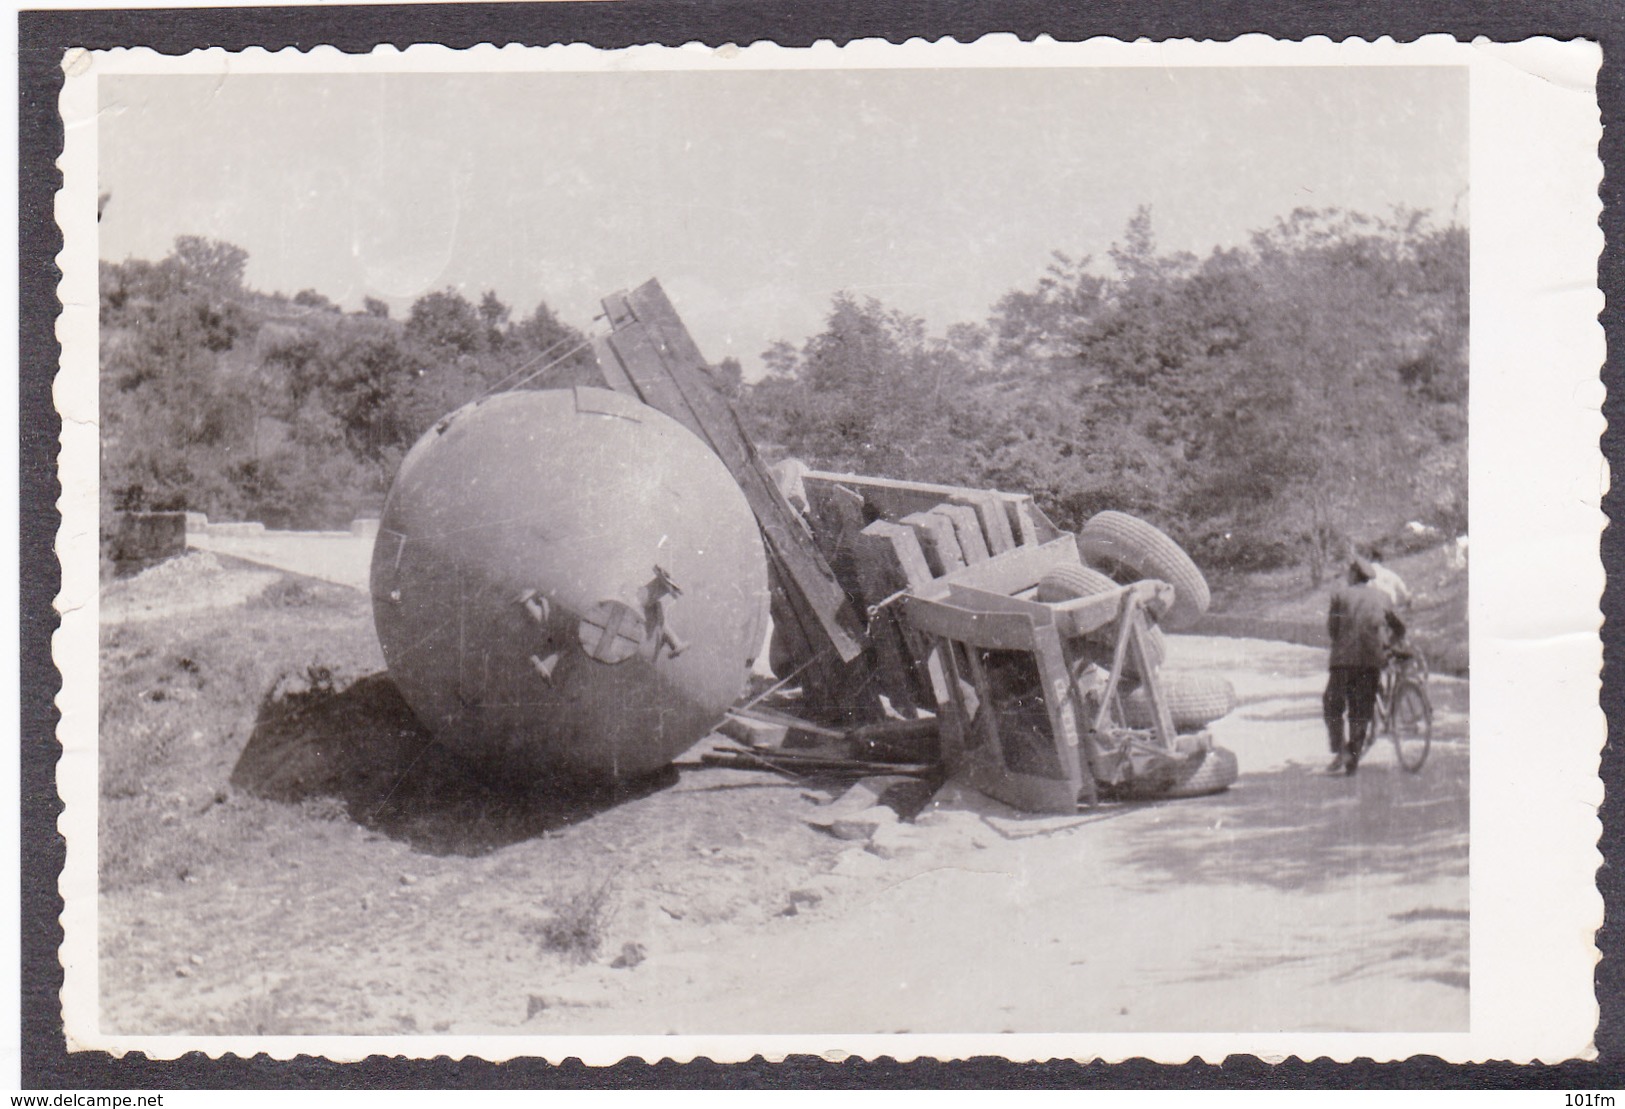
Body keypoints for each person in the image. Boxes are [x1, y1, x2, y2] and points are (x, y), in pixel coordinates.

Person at [1324, 557, 1407, 775]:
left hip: (1342, 661)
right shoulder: (1383, 597)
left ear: (1353, 575)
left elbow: (1333, 630)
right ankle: (1353, 758)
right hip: (1370, 661)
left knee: (1332, 705)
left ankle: (1340, 749)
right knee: (1361, 711)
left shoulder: (1340, 595)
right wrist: (1388, 644)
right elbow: (1399, 627)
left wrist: (1342, 643)